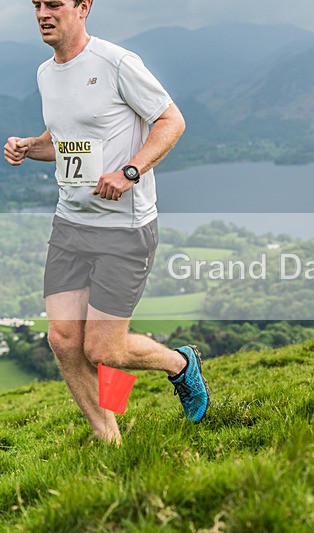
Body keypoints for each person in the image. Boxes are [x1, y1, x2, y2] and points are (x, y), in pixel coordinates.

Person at [3, 0, 209, 443]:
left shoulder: (117, 62)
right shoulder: (44, 73)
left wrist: (130, 171)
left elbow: (171, 120)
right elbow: (65, 142)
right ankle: (108, 439)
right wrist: (28, 147)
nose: (43, 13)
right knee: (62, 339)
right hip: (70, 224)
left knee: (103, 349)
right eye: (36, 5)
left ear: (83, 7)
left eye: (54, 4)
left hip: (124, 228)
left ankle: (180, 363)